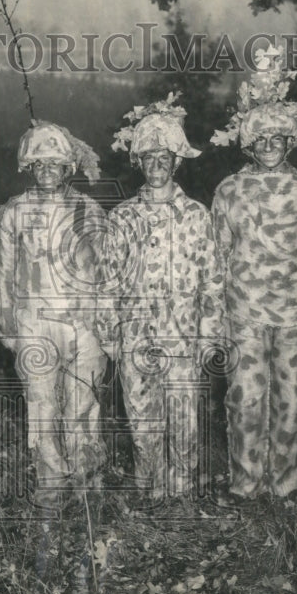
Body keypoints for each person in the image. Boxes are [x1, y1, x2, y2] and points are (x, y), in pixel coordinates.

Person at [210, 48, 297, 503]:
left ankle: (286, 483)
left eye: (278, 138)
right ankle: (246, 485)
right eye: (260, 139)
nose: (269, 146)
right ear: (249, 142)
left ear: (289, 141)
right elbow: (215, 257)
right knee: (244, 403)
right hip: (243, 313)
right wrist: (215, 317)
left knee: (292, 405)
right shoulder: (229, 190)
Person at [98, 93, 225, 502]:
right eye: (148, 158)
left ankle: (182, 489)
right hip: (136, 335)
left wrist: (209, 336)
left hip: (182, 336)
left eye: (164, 158)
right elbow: (108, 282)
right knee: (141, 416)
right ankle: (148, 486)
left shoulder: (197, 215)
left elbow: (213, 280)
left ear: (176, 162)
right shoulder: (122, 217)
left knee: (184, 417)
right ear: (137, 163)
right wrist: (109, 336)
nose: (157, 166)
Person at [0, 121, 107, 502]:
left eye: (54, 164)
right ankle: (51, 482)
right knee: (41, 407)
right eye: (38, 164)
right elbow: (5, 272)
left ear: (67, 168)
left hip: (81, 325)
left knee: (83, 405)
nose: (46, 171)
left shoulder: (88, 210)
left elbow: (105, 272)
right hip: (35, 324)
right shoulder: (14, 213)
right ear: (28, 167)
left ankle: (87, 483)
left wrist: (105, 325)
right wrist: (9, 326)